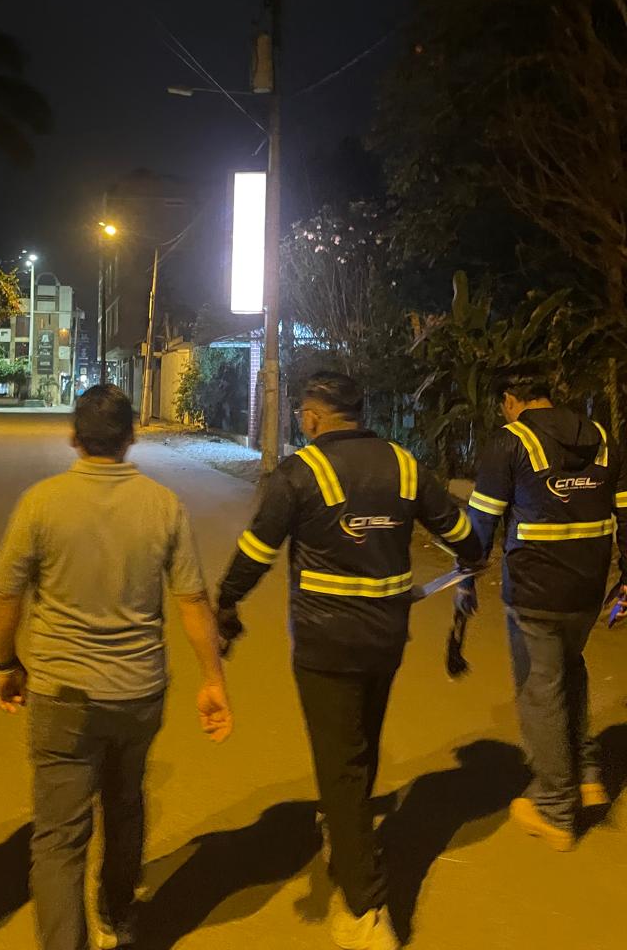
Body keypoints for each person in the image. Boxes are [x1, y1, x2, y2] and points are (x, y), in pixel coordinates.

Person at [216, 371, 483, 950]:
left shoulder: (300, 473)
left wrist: (226, 601)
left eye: (301, 414)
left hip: (324, 645)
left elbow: (256, 552)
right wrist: (469, 561)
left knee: (339, 763)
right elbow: (464, 534)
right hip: (386, 639)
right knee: (361, 743)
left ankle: (365, 908)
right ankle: (345, 833)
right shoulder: (405, 466)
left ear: (313, 416)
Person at [0, 384, 232, 950]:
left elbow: (6, 596)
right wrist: (213, 681)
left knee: (58, 837)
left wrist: (6, 664)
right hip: (137, 693)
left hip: (61, 694)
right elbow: (193, 601)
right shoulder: (163, 505)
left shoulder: (40, 503)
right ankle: (117, 916)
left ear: (74, 438)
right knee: (124, 806)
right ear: (131, 437)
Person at [464, 371, 627, 851]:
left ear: (510, 400)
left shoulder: (510, 442)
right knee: (569, 670)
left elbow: (481, 520)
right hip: (586, 589)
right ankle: (587, 773)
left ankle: (555, 806)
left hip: (534, 590)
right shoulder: (602, 438)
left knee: (540, 690)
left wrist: (465, 576)